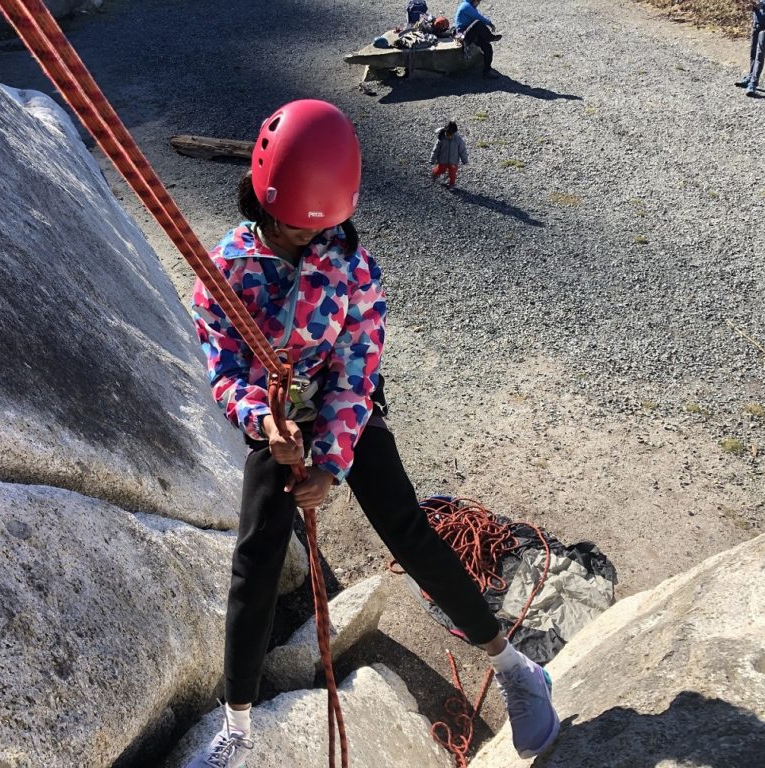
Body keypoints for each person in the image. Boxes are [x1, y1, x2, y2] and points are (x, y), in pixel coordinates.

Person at [185, 99, 560, 768]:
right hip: (274, 415)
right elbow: (223, 370)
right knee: (256, 556)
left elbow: (357, 375)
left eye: (325, 225)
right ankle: (237, 722)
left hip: (340, 406)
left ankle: (514, 669)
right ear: (263, 199)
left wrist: (331, 460)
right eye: (298, 227)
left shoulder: (353, 270)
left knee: (406, 527)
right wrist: (261, 418)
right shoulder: (224, 275)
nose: (314, 238)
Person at [455, 0, 502, 77]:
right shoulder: (466, 6)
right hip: (463, 34)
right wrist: (489, 23)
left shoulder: (471, 6)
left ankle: (487, 71)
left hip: (472, 33)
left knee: (487, 47)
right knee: (477, 23)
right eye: (478, 1)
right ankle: (490, 37)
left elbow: (478, 16)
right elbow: (478, 17)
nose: (478, 3)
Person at [430, 121, 469, 189]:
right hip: (442, 160)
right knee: (440, 170)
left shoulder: (458, 140)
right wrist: (432, 159)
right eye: (448, 134)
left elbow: (462, 150)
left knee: (453, 173)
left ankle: (451, 184)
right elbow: (436, 150)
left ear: (454, 133)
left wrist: (464, 160)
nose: (449, 136)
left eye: (451, 134)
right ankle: (434, 173)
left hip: (453, 161)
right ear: (445, 132)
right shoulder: (441, 139)